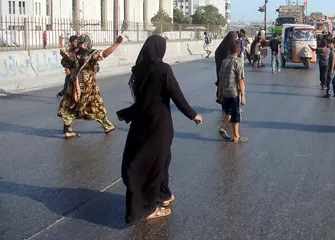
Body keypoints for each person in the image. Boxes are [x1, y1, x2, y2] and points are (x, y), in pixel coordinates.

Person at [121, 35, 203, 223]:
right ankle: (148, 208)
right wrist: (193, 115)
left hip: (141, 120)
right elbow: (176, 94)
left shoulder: (139, 69)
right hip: (159, 123)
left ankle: (163, 194)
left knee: (162, 158)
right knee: (154, 162)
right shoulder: (163, 69)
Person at [57, 34, 121, 139]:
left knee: (70, 105)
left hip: (74, 85)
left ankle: (68, 130)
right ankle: (107, 125)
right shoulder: (91, 54)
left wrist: (61, 44)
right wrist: (117, 43)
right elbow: (104, 54)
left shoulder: (72, 53)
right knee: (96, 105)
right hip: (88, 86)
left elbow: (65, 61)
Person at [218, 40, 248, 143]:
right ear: (239, 50)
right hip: (234, 92)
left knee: (228, 112)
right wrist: (243, 96)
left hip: (225, 92)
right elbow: (240, 80)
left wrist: (220, 93)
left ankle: (223, 128)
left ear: (229, 50)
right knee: (235, 114)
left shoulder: (224, 61)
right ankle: (236, 136)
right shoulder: (238, 62)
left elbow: (221, 79)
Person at [215, 31, 237, 104]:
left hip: (228, 69)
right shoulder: (222, 49)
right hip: (222, 68)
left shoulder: (231, 45)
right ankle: (221, 99)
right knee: (222, 84)